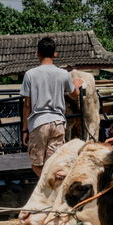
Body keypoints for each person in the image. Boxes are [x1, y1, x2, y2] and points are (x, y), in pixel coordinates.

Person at [20, 36, 82, 176]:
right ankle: (55, 188)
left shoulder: (30, 75)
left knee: (37, 165)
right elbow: (75, 94)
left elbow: (27, 105)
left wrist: (24, 130)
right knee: (54, 164)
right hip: (58, 123)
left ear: (37, 53)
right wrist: (76, 84)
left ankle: (48, 189)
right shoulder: (63, 74)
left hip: (38, 124)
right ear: (55, 54)